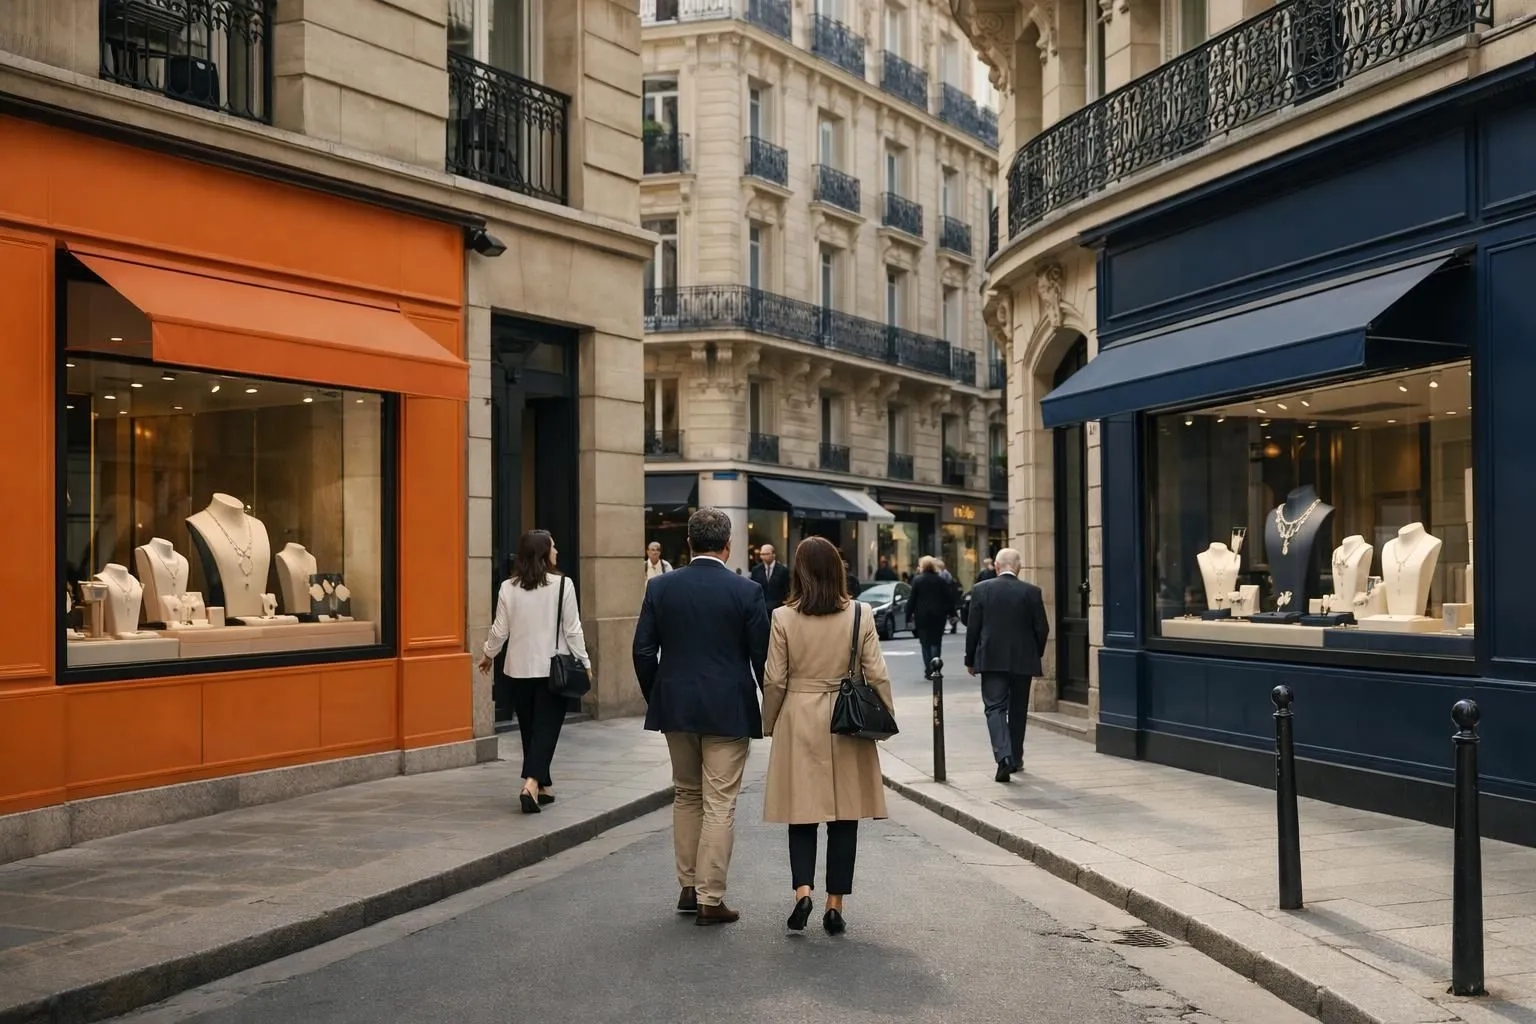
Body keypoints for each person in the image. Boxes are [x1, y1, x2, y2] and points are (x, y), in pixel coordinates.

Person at [633, 508, 770, 926]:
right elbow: (762, 656)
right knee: (720, 803)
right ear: (728, 547)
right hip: (728, 708)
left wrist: (659, 692)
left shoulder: (661, 588)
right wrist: (773, 707)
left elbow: (642, 650)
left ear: (688, 544)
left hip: (676, 706)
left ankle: (689, 887)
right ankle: (711, 898)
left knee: (687, 794)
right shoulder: (746, 592)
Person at [762, 536, 895, 936]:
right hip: (846, 719)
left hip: (799, 716)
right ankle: (835, 904)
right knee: (844, 816)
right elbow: (878, 673)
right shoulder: (860, 614)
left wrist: (770, 722)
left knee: (800, 814)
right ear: (838, 569)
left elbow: (774, 679)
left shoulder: (783, 617)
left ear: (798, 572)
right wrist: (885, 719)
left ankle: (803, 890)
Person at [477, 530, 589, 814]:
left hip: (517, 670)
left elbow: (499, 630)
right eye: (553, 546)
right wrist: (585, 662)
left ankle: (544, 786)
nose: (557, 551)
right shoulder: (563, 584)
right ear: (543, 553)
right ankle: (530, 784)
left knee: (530, 729)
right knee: (546, 730)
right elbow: (572, 629)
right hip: (552, 669)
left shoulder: (507, 587)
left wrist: (489, 654)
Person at [964, 548, 1050, 783]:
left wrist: (970, 659)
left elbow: (973, 628)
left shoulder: (982, 590)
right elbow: (1042, 628)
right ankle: (1017, 757)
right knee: (1019, 709)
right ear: (1018, 566)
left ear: (997, 566)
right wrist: (1035, 653)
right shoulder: (1031, 592)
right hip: (1023, 660)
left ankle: (1004, 756)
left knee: (995, 708)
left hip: (991, 659)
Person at [907, 556, 953, 679]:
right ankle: (935, 667)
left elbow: (912, 600)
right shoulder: (940, 581)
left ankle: (928, 668)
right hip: (938, 615)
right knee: (936, 642)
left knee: (925, 643)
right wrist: (953, 614)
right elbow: (948, 599)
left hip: (922, 616)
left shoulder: (917, 580)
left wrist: (908, 615)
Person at [751, 543, 791, 611]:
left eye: (767, 554)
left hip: (778, 607)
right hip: (761, 607)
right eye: (762, 554)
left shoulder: (783, 570)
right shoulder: (756, 570)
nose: (764, 556)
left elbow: (787, 589)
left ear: (773, 554)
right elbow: (753, 588)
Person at [936, 558, 961, 634]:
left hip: (945, 597)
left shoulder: (942, 574)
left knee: (944, 613)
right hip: (949, 596)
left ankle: (944, 628)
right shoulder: (947, 573)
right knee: (951, 612)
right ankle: (953, 627)